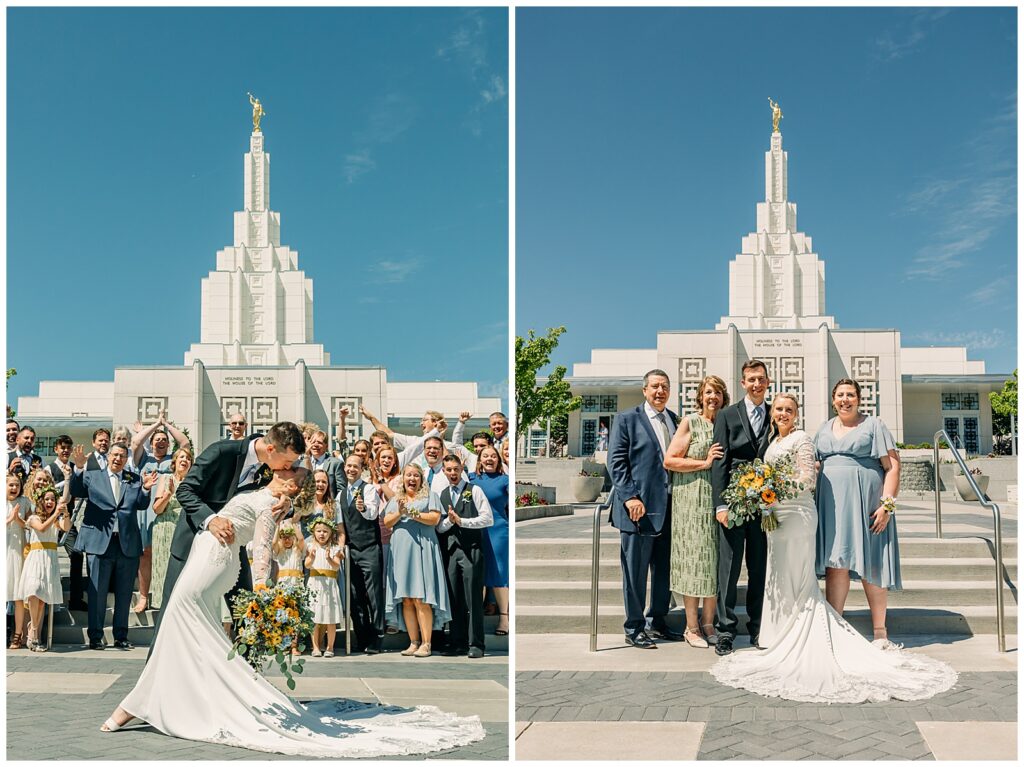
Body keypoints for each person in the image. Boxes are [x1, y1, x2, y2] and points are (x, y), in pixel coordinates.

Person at [100, 467, 484, 756]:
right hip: (209, 552)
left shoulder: (273, 504)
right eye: (287, 471)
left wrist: (264, 591)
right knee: (188, 630)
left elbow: (263, 549)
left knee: (180, 618)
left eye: (292, 476)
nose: (286, 474)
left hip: (216, 560)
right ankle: (159, 699)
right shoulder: (260, 488)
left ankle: (137, 704)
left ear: (292, 488)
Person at [711, 394, 956, 703]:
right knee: (779, 575)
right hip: (775, 516)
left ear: (797, 414)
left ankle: (841, 632)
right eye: (779, 410)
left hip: (797, 513)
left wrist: (773, 489)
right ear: (773, 415)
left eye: (789, 410)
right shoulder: (774, 442)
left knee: (799, 574)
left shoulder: (803, 438)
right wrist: (761, 493)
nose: (783, 414)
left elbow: (808, 478)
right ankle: (778, 634)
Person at [155, 421, 306, 654]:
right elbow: (185, 490)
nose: (288, 467)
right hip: (194, 543)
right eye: (287, 462)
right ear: (271, 450)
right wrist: (211, 520)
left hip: (233, 551)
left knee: (246, 615)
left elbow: (272, 498)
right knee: (173, 611)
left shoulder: (269, 467)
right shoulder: (221, 452)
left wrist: (288, 501)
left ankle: (246, 679)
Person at [814, 378, 903, 647]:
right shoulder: (823, 428)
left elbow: (893, 467)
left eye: (850, 395)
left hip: (868, 504)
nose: (845, 399)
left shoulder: (874, 425)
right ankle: (835, 627)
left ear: (859, 399)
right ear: (833, 399)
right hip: (832, 505)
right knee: (836, 563)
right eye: (840, 395)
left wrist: (887, 506)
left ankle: (880, 631)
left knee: (872, 562)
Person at [607, 369, 682, 649]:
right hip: (637, 510)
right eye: (654, 387)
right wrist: (629, 497)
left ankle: (658, 620)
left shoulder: (675, 420)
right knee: (635, 572)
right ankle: (635, 626)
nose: (660, 391)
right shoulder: (627, 419)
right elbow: (616, 462)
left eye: (664, 386)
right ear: (644, 390)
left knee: (663, 571)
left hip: (670, 509)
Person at [69, 443, 158, 650]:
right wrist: (79, 468)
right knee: (97, 592)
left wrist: (145, 489)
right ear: (108, 456)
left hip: (126, 543)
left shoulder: (132, 478)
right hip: (100, 543)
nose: (118, 458)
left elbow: (141, 504)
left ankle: (121, 636)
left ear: (126, 459)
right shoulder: (93, 475)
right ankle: (96, 636)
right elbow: (76, 489)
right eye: (115, 454)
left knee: (124, 593)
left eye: (122, 456)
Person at [712, 360, 771, 656]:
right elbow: (719, 462)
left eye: (761, 379)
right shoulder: (726, 415)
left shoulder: (776, 413)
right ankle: (725, 630)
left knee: (759, 567)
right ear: (742, 383)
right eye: (751, 379)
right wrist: (720, 504)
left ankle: (759, 627)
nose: (756, 384)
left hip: (765, 505)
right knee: (729, 568)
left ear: (768, 382)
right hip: (733, 503)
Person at [664, 375, 727, 648]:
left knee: (712, 562)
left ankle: (709, 622)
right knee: (693, 561)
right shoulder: (690, 421)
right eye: (708, 392)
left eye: (718, 393)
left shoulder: (724, 423)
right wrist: (703, 463)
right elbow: (670, 460)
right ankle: (691, 628)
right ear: (701, 396)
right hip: (690, 501)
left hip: (716, 501)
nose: (713, 397)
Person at [383, 464, 451, 659]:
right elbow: (387, 522)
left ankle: (426, 642)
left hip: (423, 548)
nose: (412, 479)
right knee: (406, 599)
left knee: (421, 598)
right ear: (403, 478)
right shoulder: (397, 499)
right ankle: (413, 641)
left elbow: (434, 519)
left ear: (421, 479)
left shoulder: (430, 496)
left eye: (416, 476)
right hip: (402, 551)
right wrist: (400, 512)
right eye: (408, 475)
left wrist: (413, 514)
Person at [438, 453, 493, 658]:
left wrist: (463, 522)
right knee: (454, 598)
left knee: (473, 599)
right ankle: (457, 641)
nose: (452, 473)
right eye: (449, 470)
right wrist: (450, 522)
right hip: (452, 551)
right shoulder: (442, 494)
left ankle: (476, 644)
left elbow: (487, 519)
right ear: (444, 471)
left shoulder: (474, 490)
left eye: (456, 469)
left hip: (472, 549)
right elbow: (440, 527)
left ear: (462, 469)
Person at [336, 454, 385, 654]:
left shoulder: (370, 489)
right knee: (355, 596)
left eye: (355, 466)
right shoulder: (340, 495)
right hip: (351, 550)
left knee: (374, 594)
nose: (351, 470)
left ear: (361, 468)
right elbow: (341, 524)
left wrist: (363, 508)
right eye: (348, 466)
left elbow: (373, 514)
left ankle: (377, 636)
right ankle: (362, 636)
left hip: (370, 547)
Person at [19, 481, 73, 650]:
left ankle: (32, 630)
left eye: (52, 499)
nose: (50, 502)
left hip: (49, 558)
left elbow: (66, 527)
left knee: (42, 599)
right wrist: (55, 514)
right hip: (36, 556)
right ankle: (34, 631)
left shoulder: (56, 519)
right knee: (34, 590)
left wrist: (65, 514)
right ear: (41, 501)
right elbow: (41, 529)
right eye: (47, 499)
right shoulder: (34, 518)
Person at [470, 445, 509, 636]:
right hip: (476, 530)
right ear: (479, 460)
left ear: (498, 460)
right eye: (485, 456)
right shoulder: (471, 479)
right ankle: (476, 620)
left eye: (493, 456)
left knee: (499, 574)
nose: (489, 459)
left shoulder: (504, 480)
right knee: (478, 575)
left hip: (498, 531)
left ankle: (504, 618)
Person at [149, 448, 193, 611]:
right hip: (165, 528)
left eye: (188, 458)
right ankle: (163, 608)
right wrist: (168, 494)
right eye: (182, 457)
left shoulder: (193, 483)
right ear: (174, 462)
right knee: (164, 569)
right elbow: (157, 509)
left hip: (186, 530)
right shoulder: (166, 478)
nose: (185, 460)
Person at [305, 517, 343, 657]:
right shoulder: (311, 547)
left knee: (330, 618)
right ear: (314, 532)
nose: (322, 534)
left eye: (325, 531)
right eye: (319, 531)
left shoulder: (335, 548)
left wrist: (329, 558)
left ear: (331, 533)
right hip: (315, 583)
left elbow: (336, 566)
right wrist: (312, 557)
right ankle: (315, 647)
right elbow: (307, 565)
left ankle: (330, 647)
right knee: (315, 617)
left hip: (329, 585)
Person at [6, 472, 32, 649]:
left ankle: (17, 634)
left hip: (18, 550)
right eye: (11, 485)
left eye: (17, 485)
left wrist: (19, 519)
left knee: (17, 595)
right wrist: (9, 519)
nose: (14, 488)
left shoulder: (24, 502)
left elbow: (30, 523)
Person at [272, 520, 305, 655]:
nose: (286, 540)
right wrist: (278, 526)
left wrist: (294, 526)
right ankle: (281, 644)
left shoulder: (297, 551)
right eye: (284, 537)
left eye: (289, 537)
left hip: (296, 584)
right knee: (282, 616)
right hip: (282, 586)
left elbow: (301, 539)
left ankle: (293, 646)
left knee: (295, 616)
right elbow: (274, 543)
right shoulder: (279, 552)